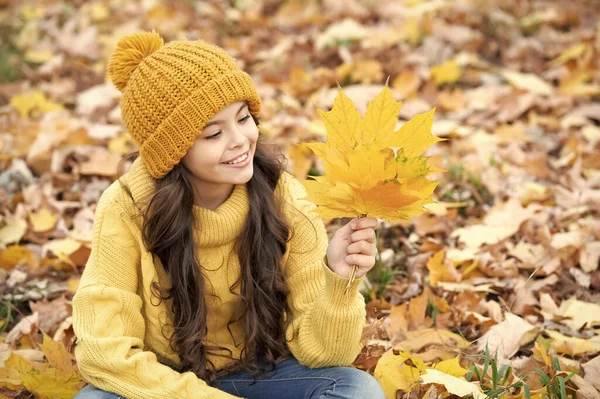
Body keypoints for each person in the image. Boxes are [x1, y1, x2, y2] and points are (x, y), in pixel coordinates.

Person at [72, 30, 386, 399]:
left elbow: (324, 355)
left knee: (355, 389)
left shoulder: (283, 196)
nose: (239, 139)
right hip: (162, 383)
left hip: (260, 374)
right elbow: (102, 352)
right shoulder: (127, 207)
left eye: (243, 118)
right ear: (173, 155)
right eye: (212, 134)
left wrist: (338, 281)